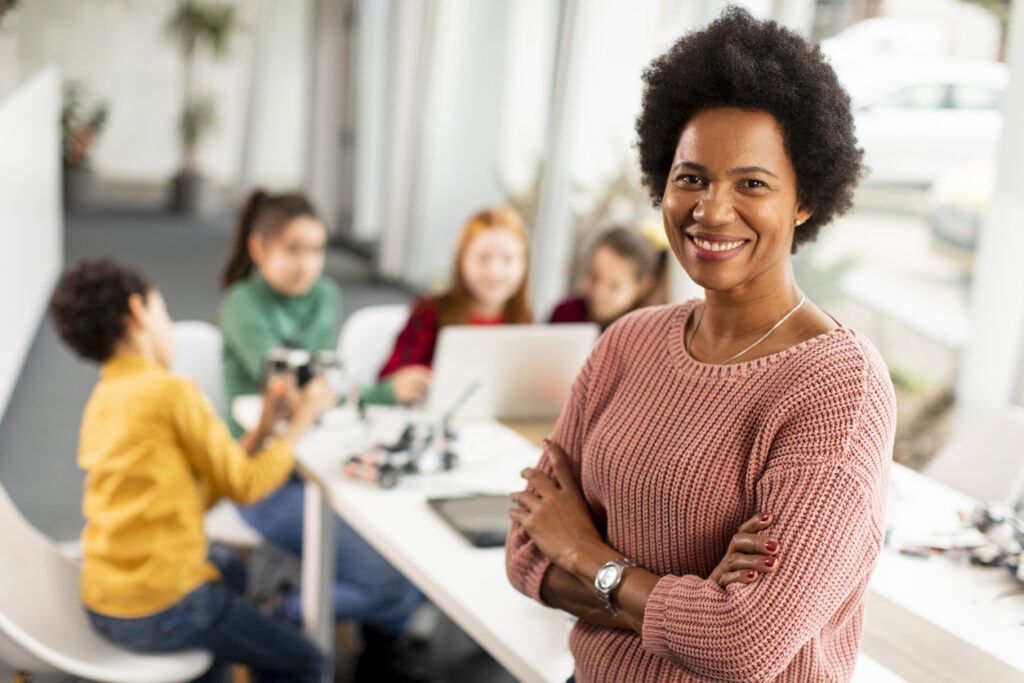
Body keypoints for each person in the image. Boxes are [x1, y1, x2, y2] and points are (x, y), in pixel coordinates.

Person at [506, 9, 896, 683]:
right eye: (691, 177)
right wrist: (685, 598)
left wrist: (586, 552)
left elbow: (742, 644)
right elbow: (523, 554)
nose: (711, 210)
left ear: (804, 199)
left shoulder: (840, 385)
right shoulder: (629, 342)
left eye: (752, 183)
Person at [49, 258, 331, 683]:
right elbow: (246, 485)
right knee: (309, 662)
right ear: (139, 312)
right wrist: (302, 423)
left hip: (104, 599)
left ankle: (209, 667)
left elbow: (189, 488)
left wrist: (259, 434)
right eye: (164, 311)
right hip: (162, 606)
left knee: (230, 568)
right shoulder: (171, 390)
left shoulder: (106, 396)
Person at [218, 190, 423, 668]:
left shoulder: (325, 295)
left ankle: (365, 628)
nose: (307, 263)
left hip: (324, 461)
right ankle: (281, 613)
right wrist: (363, 392)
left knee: (417, 557)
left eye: (316, 249)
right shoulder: (242, 304)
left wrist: (381, 391)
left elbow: (327, 388)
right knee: (393, 585)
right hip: (262, 478)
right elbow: (294, 392)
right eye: (293, 249)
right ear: (258, 248)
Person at [368, 205, 532, 405]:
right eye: (483, 258)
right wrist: (409, 382)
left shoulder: (524, 319)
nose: (494, 271)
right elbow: (388, 379)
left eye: (508, 260)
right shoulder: (429, 313)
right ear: (461, 260)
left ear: (524, 264)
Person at [548, 225, 666, 331]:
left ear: (642, 287)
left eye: (614, 286)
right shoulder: (565, 314)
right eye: (593, 277)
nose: (598, 292)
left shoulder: (652, 326)